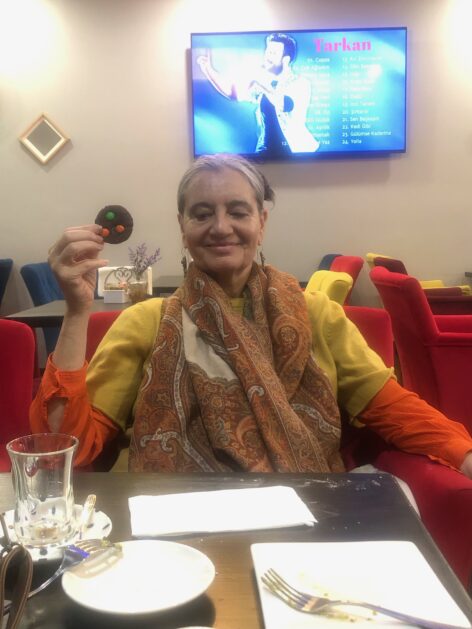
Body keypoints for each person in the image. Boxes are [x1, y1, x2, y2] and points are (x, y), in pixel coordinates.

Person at [31, 154, 472, 478]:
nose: (221, 227)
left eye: (237, 211)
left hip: (304, 514)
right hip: (169, 530)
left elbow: (392, 409)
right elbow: (66, 448)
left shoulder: (318, 316)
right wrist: (76, 310)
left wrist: (463, 454)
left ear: (261, 222)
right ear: (182, 227)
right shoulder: (146, 322)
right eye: (202, 214)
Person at [197, 33, 319, 157]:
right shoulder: (265, 82)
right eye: (267, 51)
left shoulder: (300, 83)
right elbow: (233, 93)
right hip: (265, 152)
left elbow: (282, 103)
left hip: (297, 154)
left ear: (286, 60)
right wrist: (207, 69)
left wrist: (259, 81)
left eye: (273, 53)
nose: (267, 57)